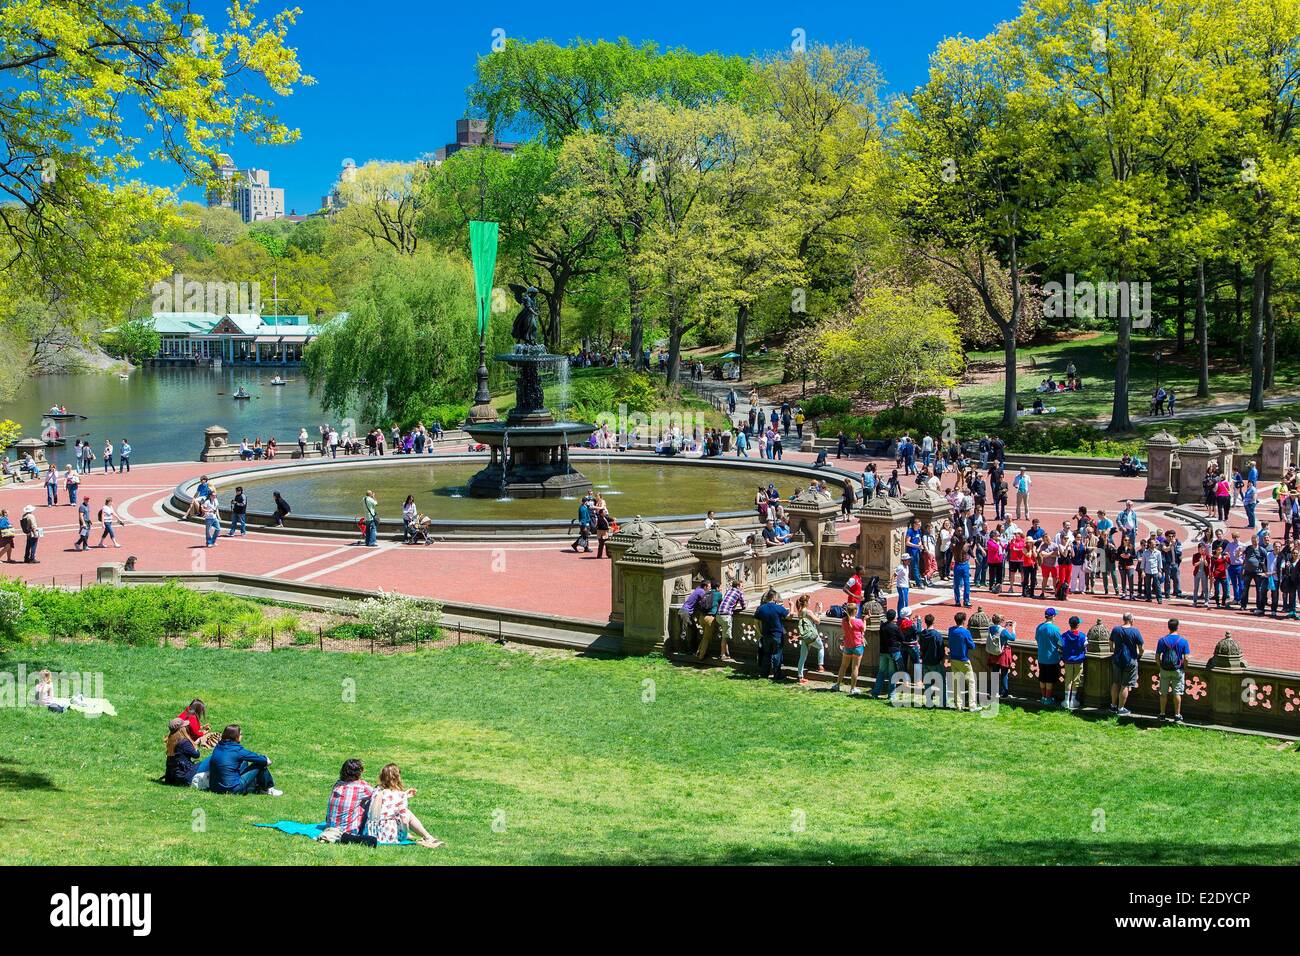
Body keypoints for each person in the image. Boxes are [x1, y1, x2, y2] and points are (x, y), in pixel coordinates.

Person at [364, 763, 442, 848]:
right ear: (397, 778)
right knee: (407, 813)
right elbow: (404, 820)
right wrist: (405, 831)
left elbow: (387, 802)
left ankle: (420, 836)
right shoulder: (400, 795)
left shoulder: (376, 790)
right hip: (389, 836)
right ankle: (428, 837)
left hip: (372, 834)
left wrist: (405, 795)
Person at [207, 724, 282, 796]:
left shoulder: (219, 746)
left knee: (243, 761)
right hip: (232, 789)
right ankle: (268, 789)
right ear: (235, 736)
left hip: (215, 788)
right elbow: (264, 760)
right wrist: (266, 759)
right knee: (259, 764)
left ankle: (254, 785)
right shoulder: (237, 750)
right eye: (241, 734)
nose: (242, 736)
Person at [325, 758, 374, 835]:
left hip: (330, 827)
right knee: (372, 801)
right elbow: (377, 795)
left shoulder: (337, 784)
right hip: (348, 831)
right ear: (359, 772)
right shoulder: (361, 787)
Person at [1109, 612, 1144, 716]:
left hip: (1117, 660)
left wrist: (1114, 651)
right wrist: (1139, 655)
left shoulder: (1116, 629)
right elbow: (1141, 648)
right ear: (1131, 620)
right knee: (1125, 685)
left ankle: (1113, 706)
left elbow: (1110, 643)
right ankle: (1121, 708)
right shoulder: (1135, 631)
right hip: (1130, 661)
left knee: (1115, 683)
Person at [1156, 619, 1191, 723]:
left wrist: (1161, 667)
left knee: (1163, 693)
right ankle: (1177, 715)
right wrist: (1184, 668)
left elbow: (1157, 657)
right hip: (1178, 670)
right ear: (1177, 627)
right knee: (1177, 693)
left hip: (1165, 669)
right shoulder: (1183, 641)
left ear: (1168, 627)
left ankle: (1162, 714)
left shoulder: (1162, 640)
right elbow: (1186, 658)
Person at [754, 589, 792, 681]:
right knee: (776, 654)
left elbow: (756, 622)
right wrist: (792, 606)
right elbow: (789, 617)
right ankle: (777, 674)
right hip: (777, 634)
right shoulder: (778, 608)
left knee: (766, 654)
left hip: (766, 635)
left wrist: (760, 633)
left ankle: (764, 674)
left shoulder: (761, 608)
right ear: (774, 597)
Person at [946, 611, 978, 711]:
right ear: (964, 621)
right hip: (964, 660)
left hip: (953, 659)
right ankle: (972, 705)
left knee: (956, 682)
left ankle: (958, 705)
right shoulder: (965, 632)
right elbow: (972, 646)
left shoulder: (951, 630)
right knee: (971, 682)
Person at [832, 600, 865, 695]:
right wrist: (865, 620)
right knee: (855, 667)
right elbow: (863, 629)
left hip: (847, 646)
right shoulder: (859, 621)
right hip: (857, 646)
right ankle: (853, 688)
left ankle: (837, 685)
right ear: (855, 611)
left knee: (843, 666)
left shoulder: (844, 620)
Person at [873, 608, 904, 700]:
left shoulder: (882, 626)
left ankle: (875, 692)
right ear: (894, 617)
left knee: (881, 672)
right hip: (893, 652)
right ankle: (891, 695)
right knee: (892, 674)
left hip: (883, 651)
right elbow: (902, 638)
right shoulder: (895, 627)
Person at [1034, 607, 1062, 706]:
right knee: (1049, 679)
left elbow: (1036, 638)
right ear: (1053, 616)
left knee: (1042, 678)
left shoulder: (1039, 627)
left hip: (1041, 657)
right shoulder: (1055, 629)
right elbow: (1061, 643)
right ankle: (1048, 698)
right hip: (1052, 658)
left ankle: (1043, 697)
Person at [794, 595, 825, 684]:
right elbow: (817, 621)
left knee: (802, 657)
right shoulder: (808, 611)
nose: (810, 602)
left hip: (805, 637)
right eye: (809, 601)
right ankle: (820, 666)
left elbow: (810, 620)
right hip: (812, 636)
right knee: (821, 647)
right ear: (806, 602)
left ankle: (800, 677)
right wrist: (820, 611)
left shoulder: (800, 612)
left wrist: (815, 610)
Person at [164, 718, 202, 787]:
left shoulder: (170, 740)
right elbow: (196, 755)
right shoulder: (184, 742)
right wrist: (195, 745)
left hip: (171, 777)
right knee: (208, 762)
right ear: (181, 729)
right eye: (184, 726)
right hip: (183, 776)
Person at [1060, 615, 1087, 711]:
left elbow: (1060, 645)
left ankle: (1066, 700)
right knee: (1076, 680)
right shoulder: (1083, 636)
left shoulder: (1064, 635)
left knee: (1068, 680)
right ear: (1078, 625)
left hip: (1068, 661)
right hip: (1079, 661)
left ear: (1069, 624)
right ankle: (1073, 700)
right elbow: (1086, 646)